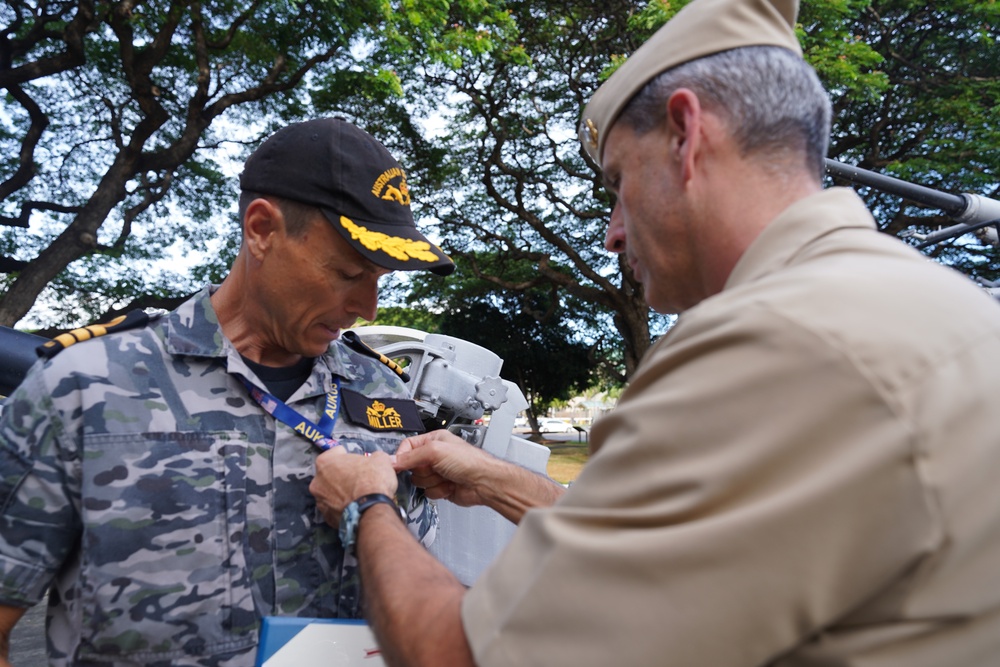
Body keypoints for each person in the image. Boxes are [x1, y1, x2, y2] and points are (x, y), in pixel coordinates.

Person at [306, 0, 1000, 664]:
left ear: (685, 134)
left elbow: (458, 654)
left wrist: (368, 505)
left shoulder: (769, 343)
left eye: (618, 181)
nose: (612, 232)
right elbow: (710, 537)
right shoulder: (936, 308)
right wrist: (496, 482)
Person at [0, 117, 454, 666]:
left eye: (380, 279)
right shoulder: (83, 385)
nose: (368, 307)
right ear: (261, 229)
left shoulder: (379, 388)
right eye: (347, 271)